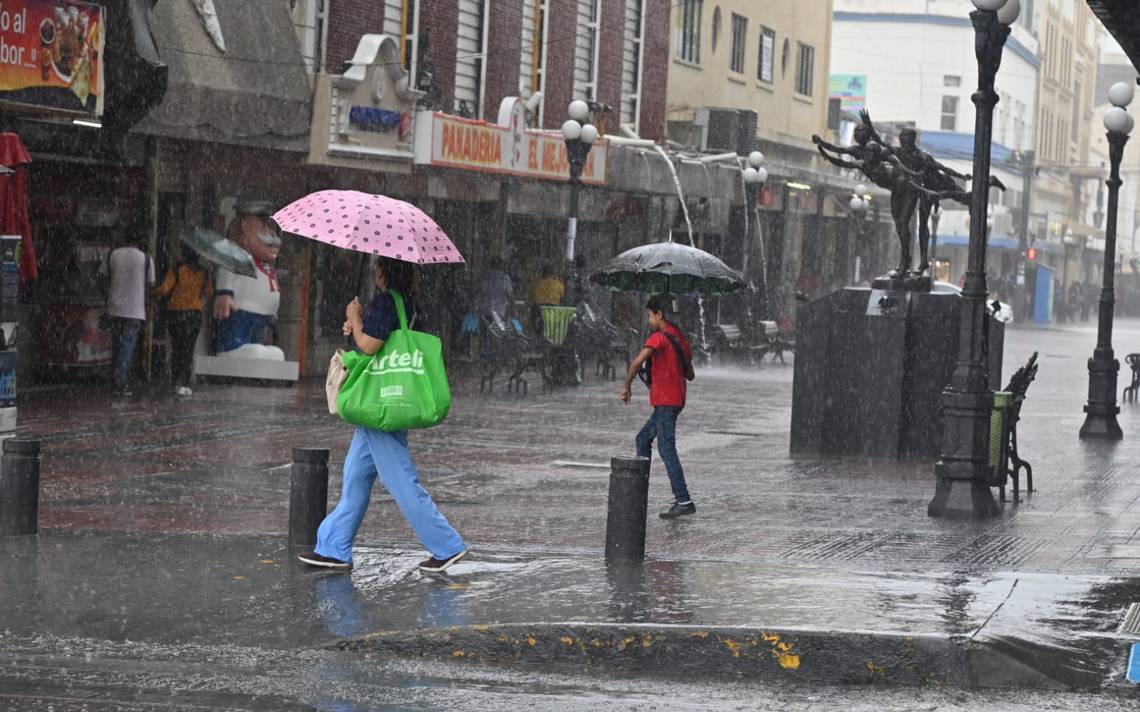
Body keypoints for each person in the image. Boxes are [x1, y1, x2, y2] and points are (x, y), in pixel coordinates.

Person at [299, 257, 468, 574]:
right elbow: (378, 340)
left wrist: (355, 318)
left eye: (378, 267)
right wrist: (360, 324)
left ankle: (447, 545)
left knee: (401, 479)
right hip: (387, 403)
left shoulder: (388, 301)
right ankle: (334, 547)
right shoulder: (409, 302)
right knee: (356, 477)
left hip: (381, 404)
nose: (375, 272)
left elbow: (370, 346)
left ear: (384, 272)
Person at [619, 294, 696, 519]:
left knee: (666, 448)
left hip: (666, 402)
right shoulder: (680, 337)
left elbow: (636, 362)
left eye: (650, 315)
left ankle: (684, 499)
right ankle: (640, 490)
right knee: (643, 439)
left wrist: (627, 386)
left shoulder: (659, 338)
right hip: (675, 400)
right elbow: (690, 373)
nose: (649, 319)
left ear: (659, 315)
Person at [100, 235, 155, 397]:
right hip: (135, 310)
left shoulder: (113, 255)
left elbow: (101, 278)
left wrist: (108, 296)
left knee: (117, 345)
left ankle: (116, 379)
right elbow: (151, 285)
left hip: (115, 308)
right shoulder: (146, 259)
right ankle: (120, 382)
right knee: (127, 346)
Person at [155, 250, 212, 396]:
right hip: (194, 314)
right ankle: (185, 382)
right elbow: (210, 293)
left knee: (177, 347)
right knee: (188, 348)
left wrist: (154, 291)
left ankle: (177, 381)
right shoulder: (204, 272)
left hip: (176, 312)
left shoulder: (176, 269)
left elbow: (165, 289)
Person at [478, 257, 513, 322]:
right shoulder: (505, 278)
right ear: (501, 266)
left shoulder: (486, 277)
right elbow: (509, 295)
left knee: (485, 330)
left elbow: (481, 291)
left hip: (485, 311)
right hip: (499, 312)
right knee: (497, 331)